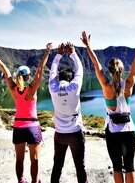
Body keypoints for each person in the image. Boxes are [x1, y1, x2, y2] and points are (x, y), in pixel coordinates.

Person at [80, 27, 135, 183]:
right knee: (130, 166)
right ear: (122, 69)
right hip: (129, 130)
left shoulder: (106, 87)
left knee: (117, 167)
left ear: (110, 70)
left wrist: (88, 46)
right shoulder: (129, 84)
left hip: (113, 131)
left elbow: (95, 64)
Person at [0, 43, 52, 183]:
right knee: (35, 159)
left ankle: (21, 180)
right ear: (28, 77)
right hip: (32, 127)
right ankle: (35, 181)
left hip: (18, 127)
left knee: (19, 159)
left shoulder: (13, 88)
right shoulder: (31, 90)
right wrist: (47, 51)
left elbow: (4, 70)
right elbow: (40, 69)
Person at [48, 42, 88, 183]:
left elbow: (52, 72)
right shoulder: (74, 87)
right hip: (75, 134)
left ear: (60, 78)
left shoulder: (53, 88)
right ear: (70, 78)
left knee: (57, 165)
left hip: (59, 134)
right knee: (80, 167)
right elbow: (80, 70)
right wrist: (73, 53)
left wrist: (58, 54)